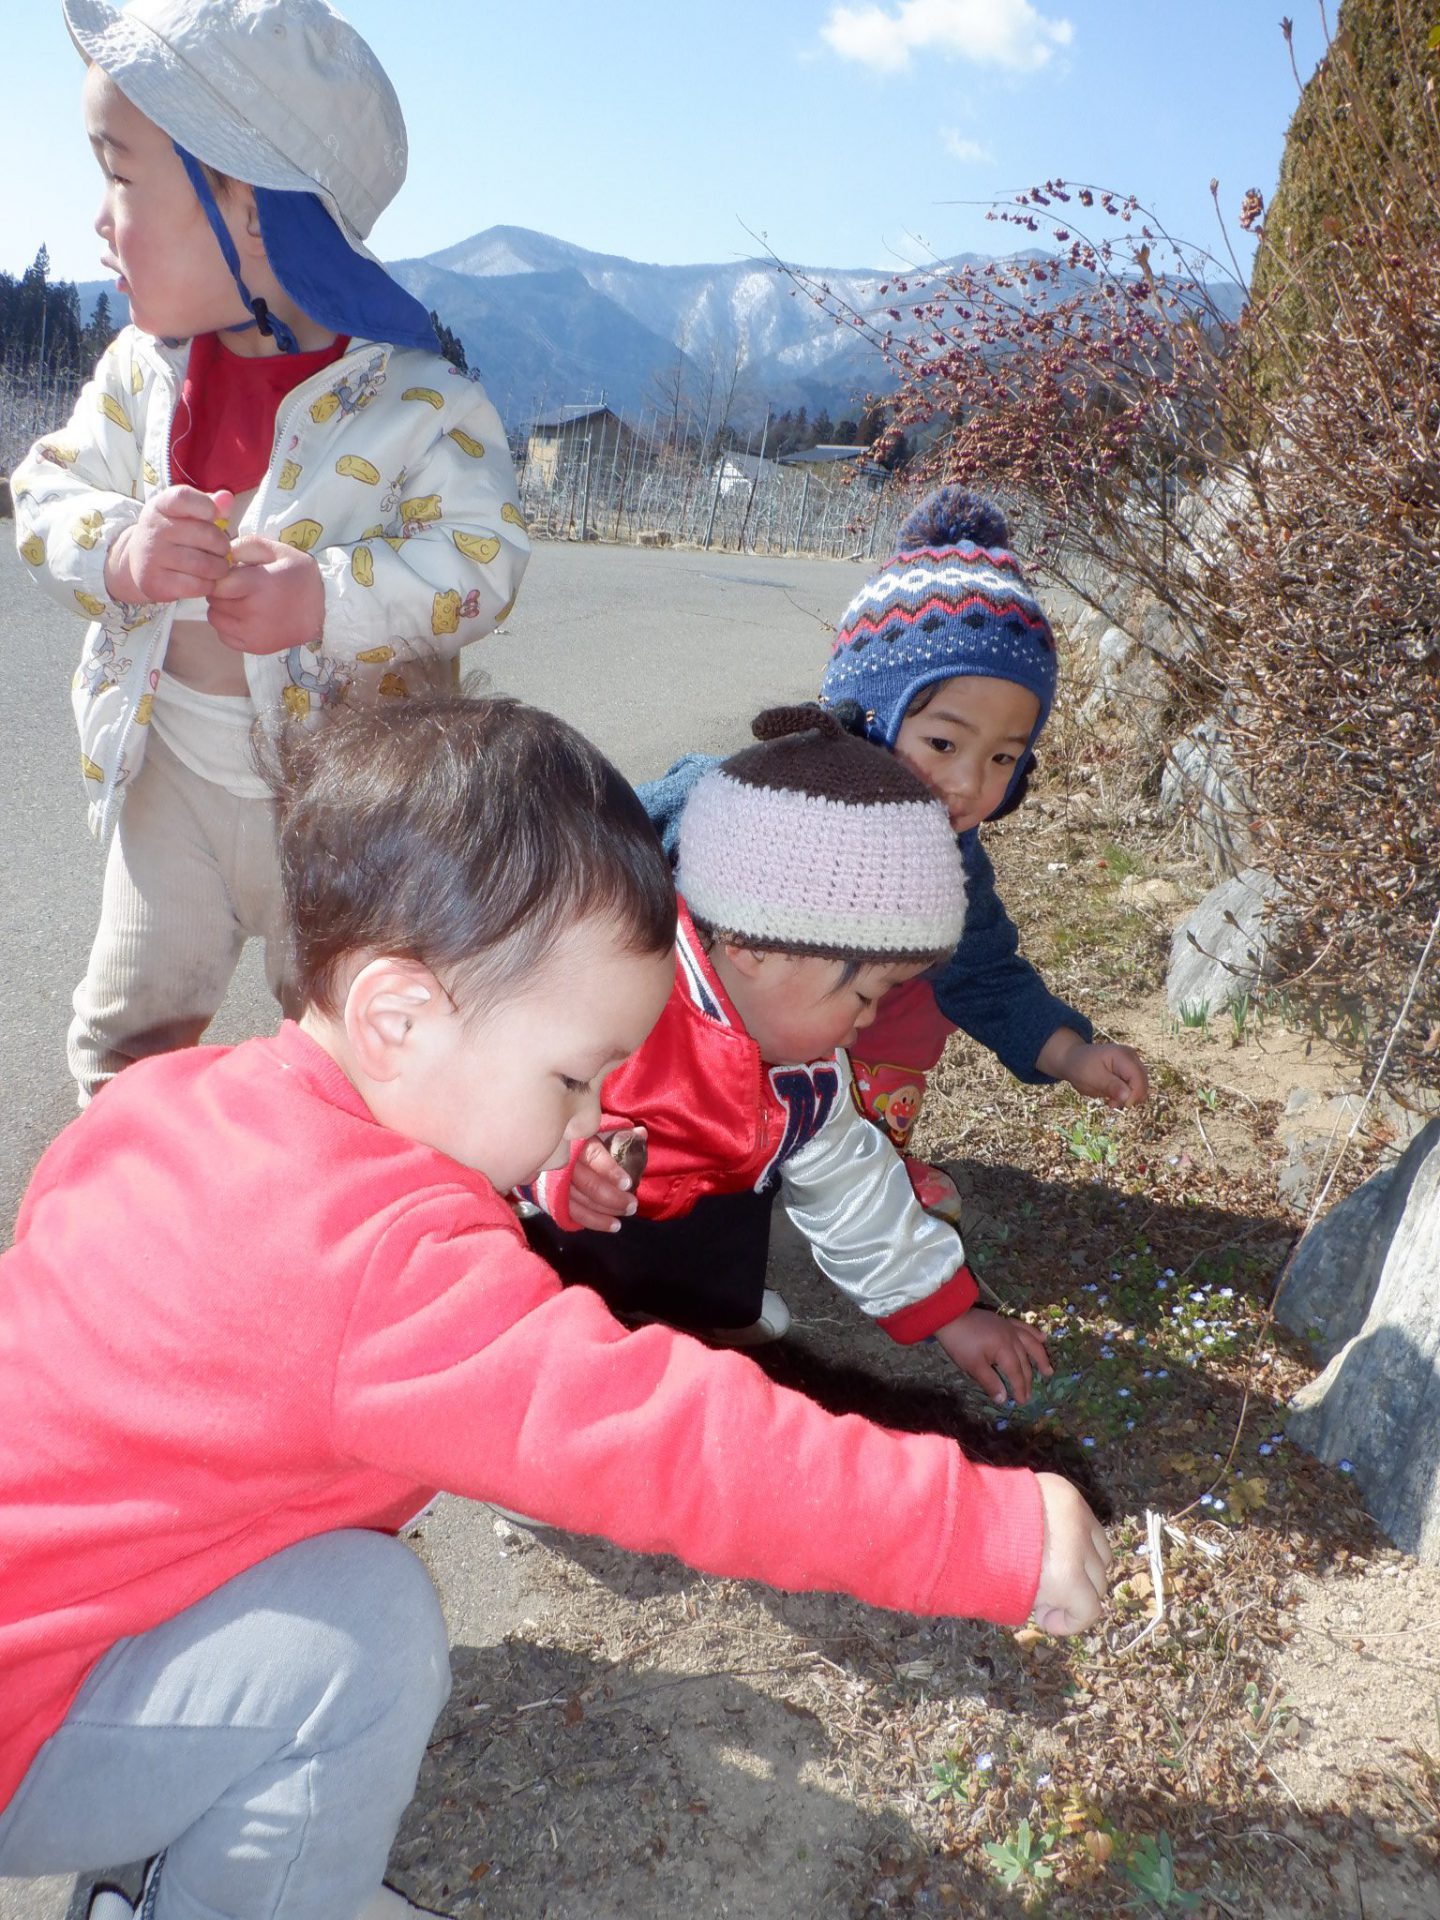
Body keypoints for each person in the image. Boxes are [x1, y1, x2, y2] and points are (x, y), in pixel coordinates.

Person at [0, 695, 1111, 1920]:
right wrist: (979, 1533)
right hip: (28, 1726)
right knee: (368, 1640)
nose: (593, 1118)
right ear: (396, 1018)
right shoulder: (383, 1264)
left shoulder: (171, 1103)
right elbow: (664, 1443)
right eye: (573, 1078)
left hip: (51, 1618)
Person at [10, 0, 529, 1105]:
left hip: (348, 814)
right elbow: (45, 487)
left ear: (247, 207)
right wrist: (119, 548)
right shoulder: (143, 371)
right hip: (170, 781)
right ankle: (127, 1186)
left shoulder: (419, 401)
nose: (99, 220)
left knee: (364, 1052)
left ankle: (334, 1191)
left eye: (120, 177)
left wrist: (327, 599)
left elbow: (484, 559)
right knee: (125, 1034)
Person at [639, 489, 1149, 1223]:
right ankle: (711, 1138)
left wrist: (1069, 1053)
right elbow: (642, 813)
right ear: (869, 713)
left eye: (1004, 757)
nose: (968, 782)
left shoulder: (947, 859)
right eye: (943, 742)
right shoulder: (776, 796)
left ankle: (864, 1153)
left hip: (829, 1064)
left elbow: (984, 971)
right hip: (701, 1048)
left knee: (908, 988)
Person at [523, 705, 1055, 1407]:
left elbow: (852, 1188)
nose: (868, 1022)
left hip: (683, 1211)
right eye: (863, 994)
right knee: (545, 1286)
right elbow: (486, 1093)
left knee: (749, 1179)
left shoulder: (804, 1075)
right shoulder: (614, 993)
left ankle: (692, 1313)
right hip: (558, 1229)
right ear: (754, 948)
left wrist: (949, 1314)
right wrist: (550, 1170)